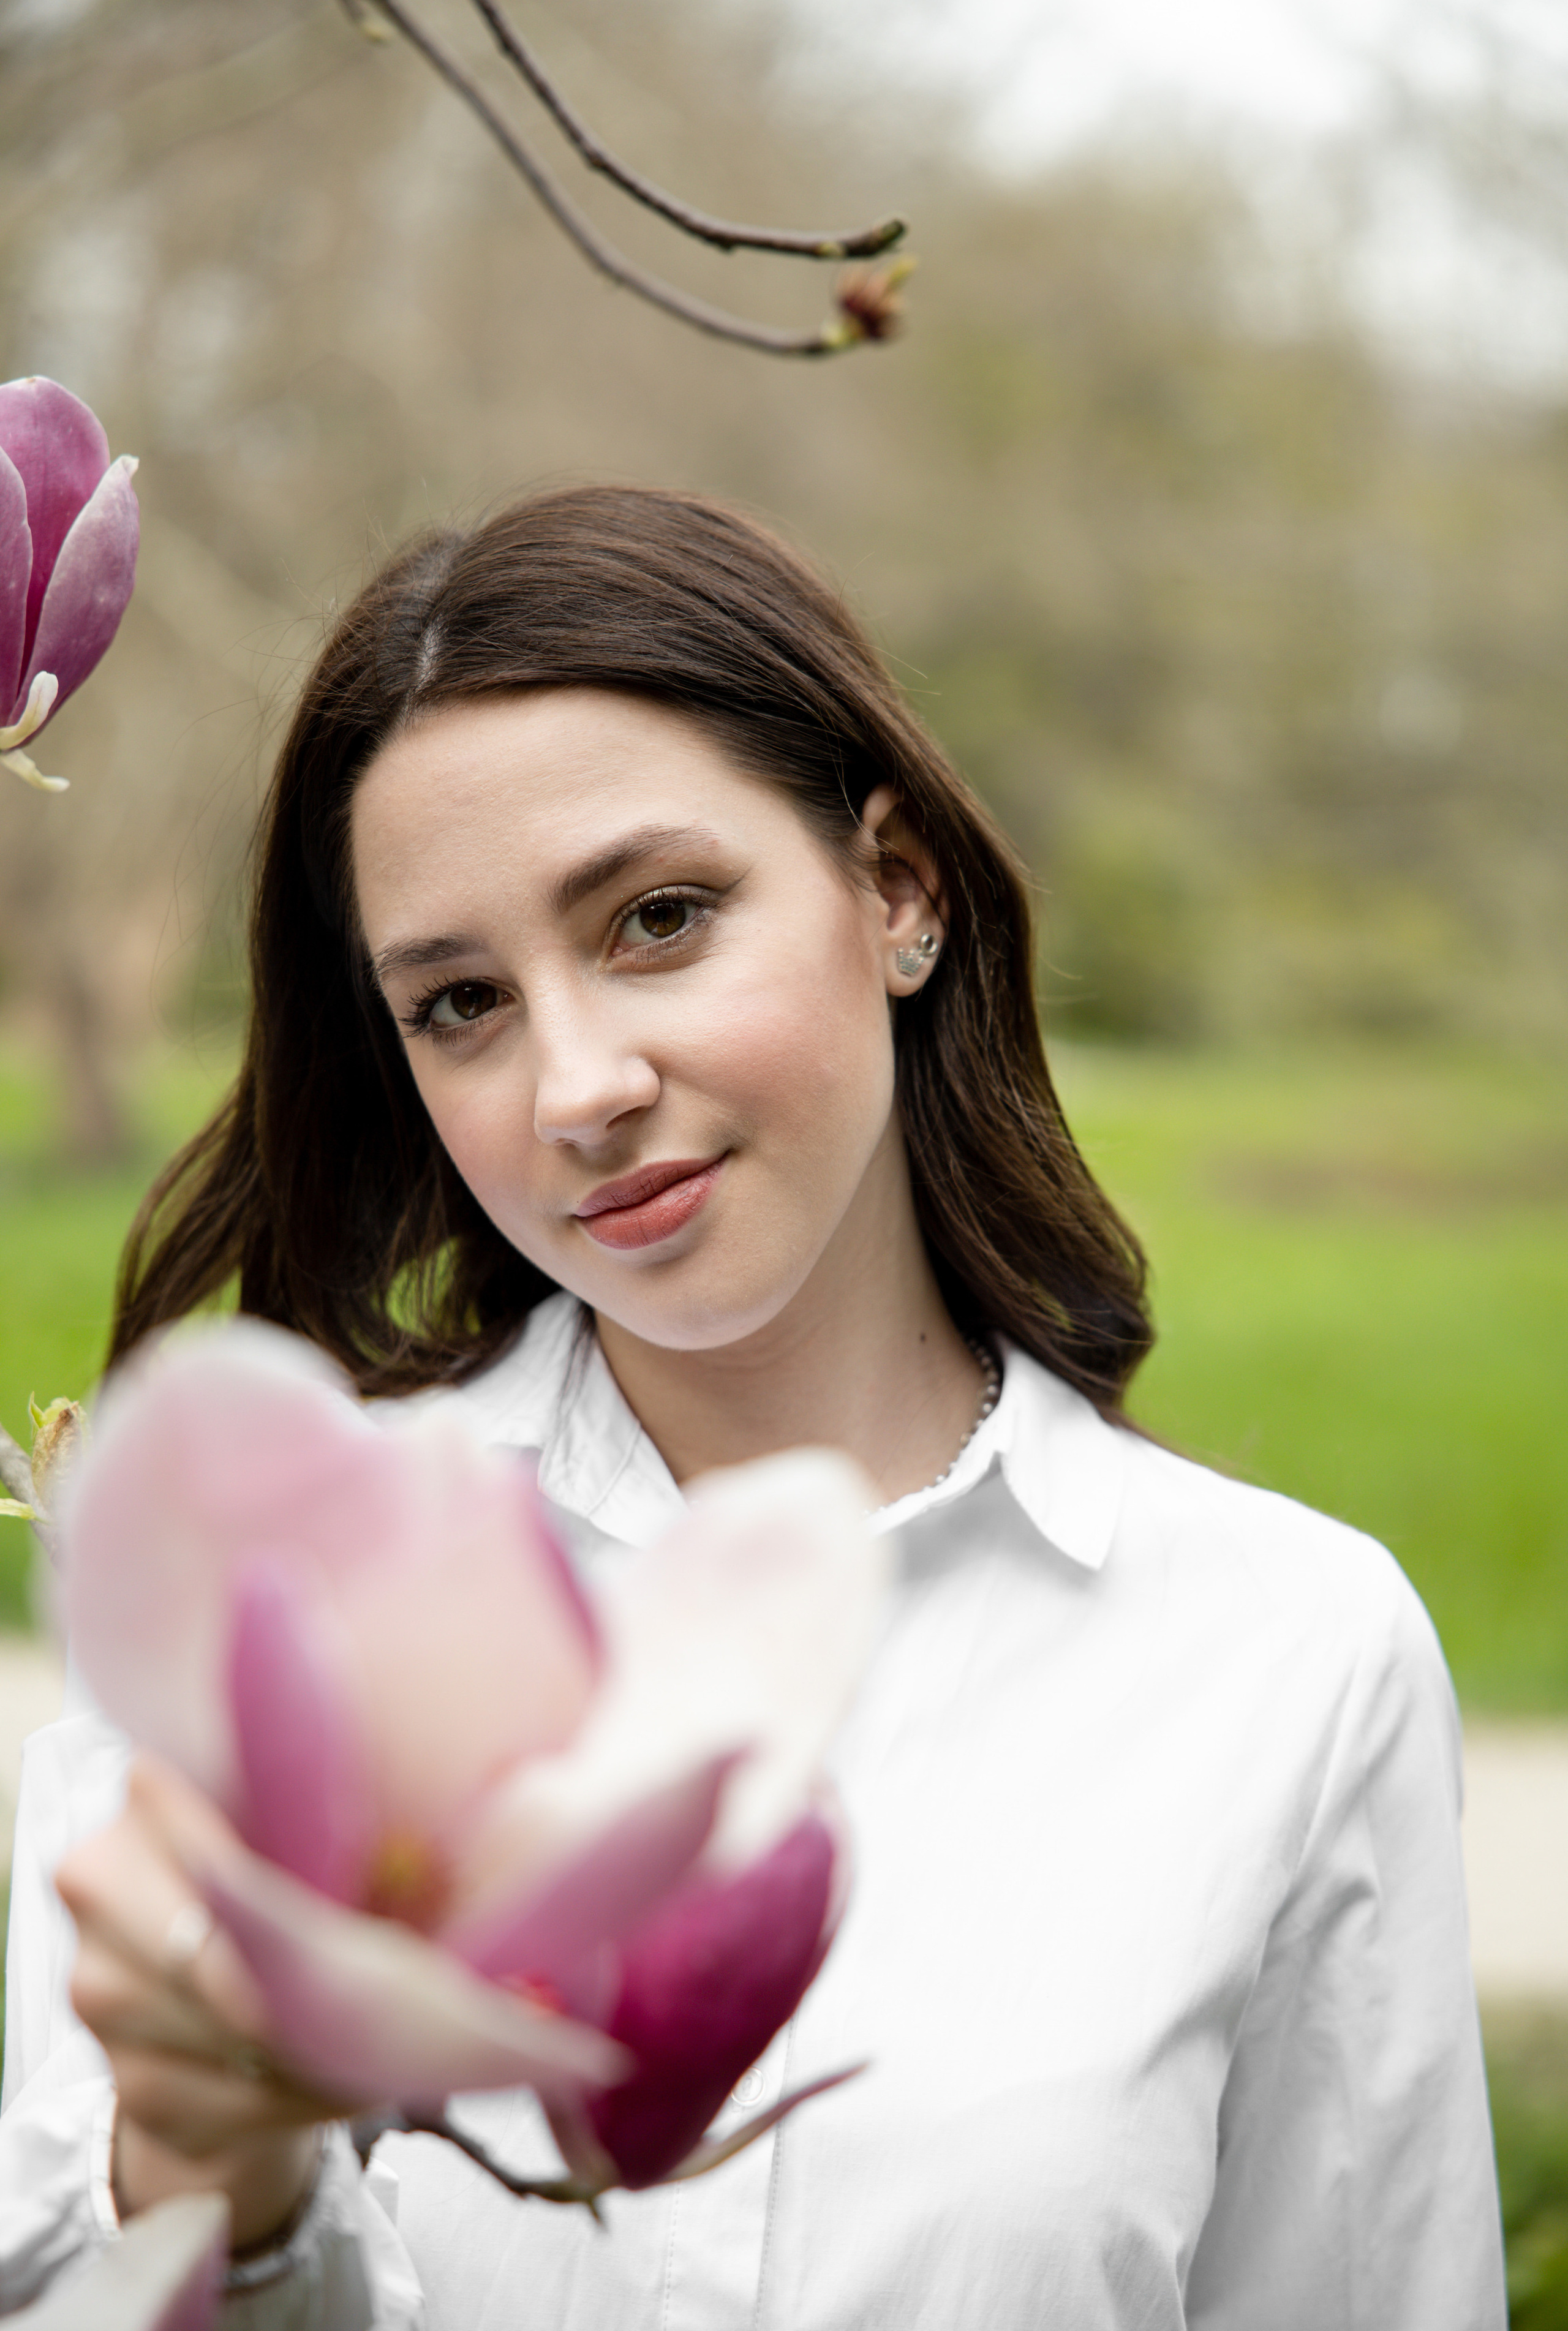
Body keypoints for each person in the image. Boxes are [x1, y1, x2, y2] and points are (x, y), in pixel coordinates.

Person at [1, 486, 1504, 2329]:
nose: (577, 1086)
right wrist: (214, 2192)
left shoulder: (1287, 1660)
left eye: (656, 918)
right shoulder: (264, 1605)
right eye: (461, 1001)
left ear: (897, 889)